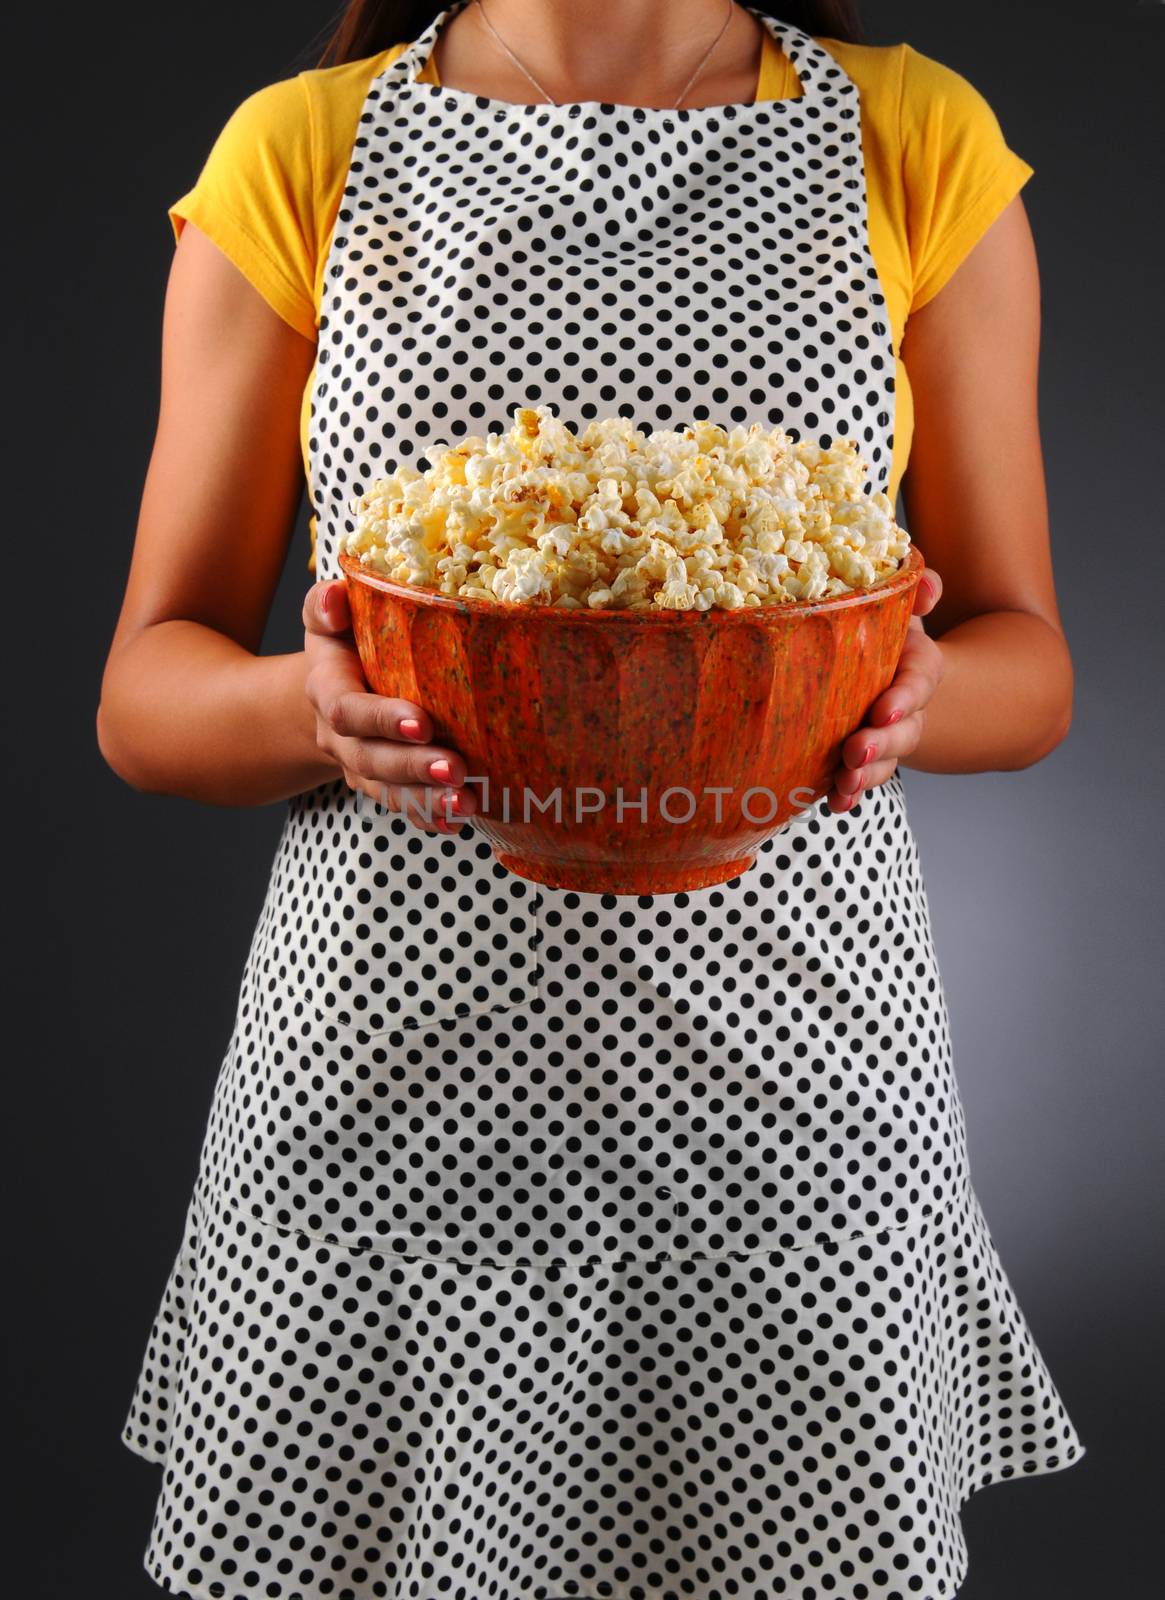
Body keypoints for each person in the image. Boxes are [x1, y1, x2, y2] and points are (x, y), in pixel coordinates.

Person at [100, 3, 1087, 1597]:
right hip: (392, 1078)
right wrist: (312, 707)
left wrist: (903, 695)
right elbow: (146, 694)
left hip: (792, 1094)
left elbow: (1022, 664)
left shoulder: (910, 136)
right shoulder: (305, 145)